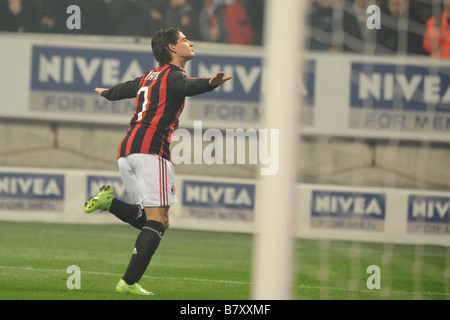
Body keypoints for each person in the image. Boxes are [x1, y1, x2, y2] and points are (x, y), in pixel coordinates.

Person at [84, 27, 232, 295]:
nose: (191, 42)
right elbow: (186, 87)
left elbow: (127, 88)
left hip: (127, 150)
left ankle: (110, 203)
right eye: (185, 39)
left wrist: (108, 92)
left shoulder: (150, 76)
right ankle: (128, 282)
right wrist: (210, 84)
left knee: (149, 219)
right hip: (151, 149)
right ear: (172, 48)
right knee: (159, 220)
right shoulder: (174, 76)